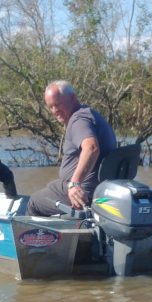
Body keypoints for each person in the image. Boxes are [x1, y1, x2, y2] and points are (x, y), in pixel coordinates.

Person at [27, 80, 117, 216]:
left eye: (57, 104)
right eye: (50, 107)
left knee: (34, 202)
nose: (54, 111)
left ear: (73, 98)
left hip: (83, 193)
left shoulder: (78, 120)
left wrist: (75, 184)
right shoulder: (90, 114)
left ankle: (38, 237)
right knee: (51, 187)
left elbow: (91, 148)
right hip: (97, 189)